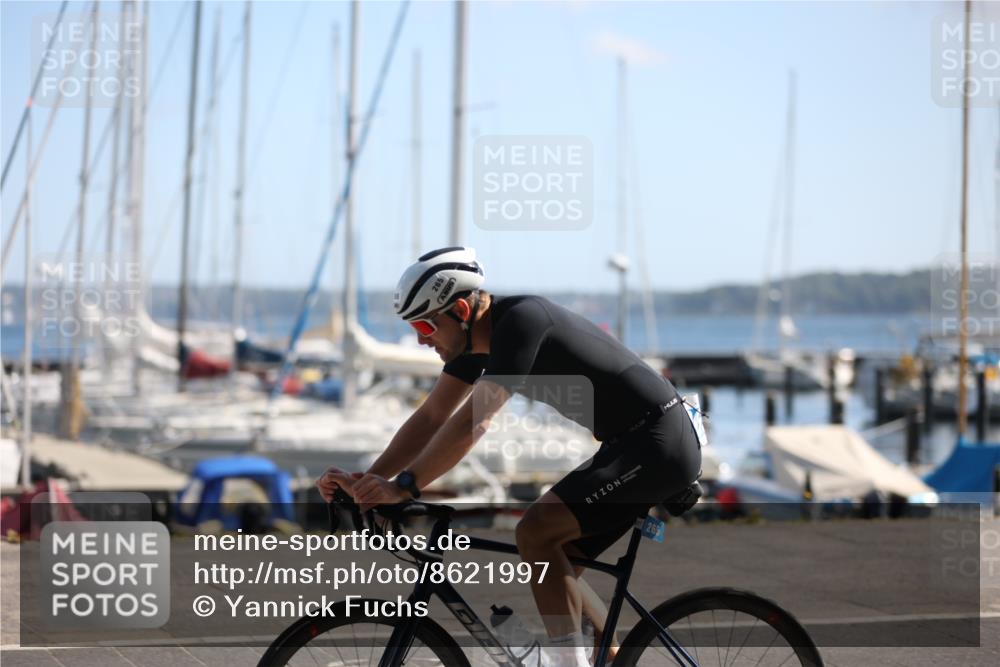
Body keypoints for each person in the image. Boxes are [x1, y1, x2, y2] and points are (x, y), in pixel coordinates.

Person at [318, 247, 702, 667]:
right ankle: (607, 659)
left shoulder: (521, 322)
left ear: (462, 309)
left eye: (426, 325)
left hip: (658, 441)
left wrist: (406, 486)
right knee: (559, 566)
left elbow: (473, 423)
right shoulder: (473, 346)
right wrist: (369, 484)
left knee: (535, 530)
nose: (420, 339)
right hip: (631, 444)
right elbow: (430, 417)